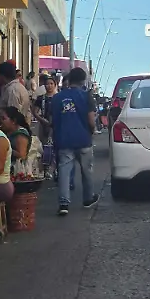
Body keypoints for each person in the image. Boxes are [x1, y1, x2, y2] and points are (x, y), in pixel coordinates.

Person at [52, 67, 99, 215]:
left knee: (64, 171)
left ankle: (64, 204)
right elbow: (91, 120)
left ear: (69, 80)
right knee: (87, 170)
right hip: (83, 139)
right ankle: (88, 198)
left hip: (64, 139)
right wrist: (91, 131)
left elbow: (54, 120)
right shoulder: (86, 96)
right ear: (83, 81)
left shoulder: (57, 98)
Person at [32, 74, 57, 144]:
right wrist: (43, 120)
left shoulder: (58, 97)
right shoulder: (41, 98)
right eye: (47, 84)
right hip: (43, 125)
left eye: (51, 84)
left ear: (55, 85)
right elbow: (35, 112)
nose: (49, 86)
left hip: (56, 125)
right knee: (44, 143)